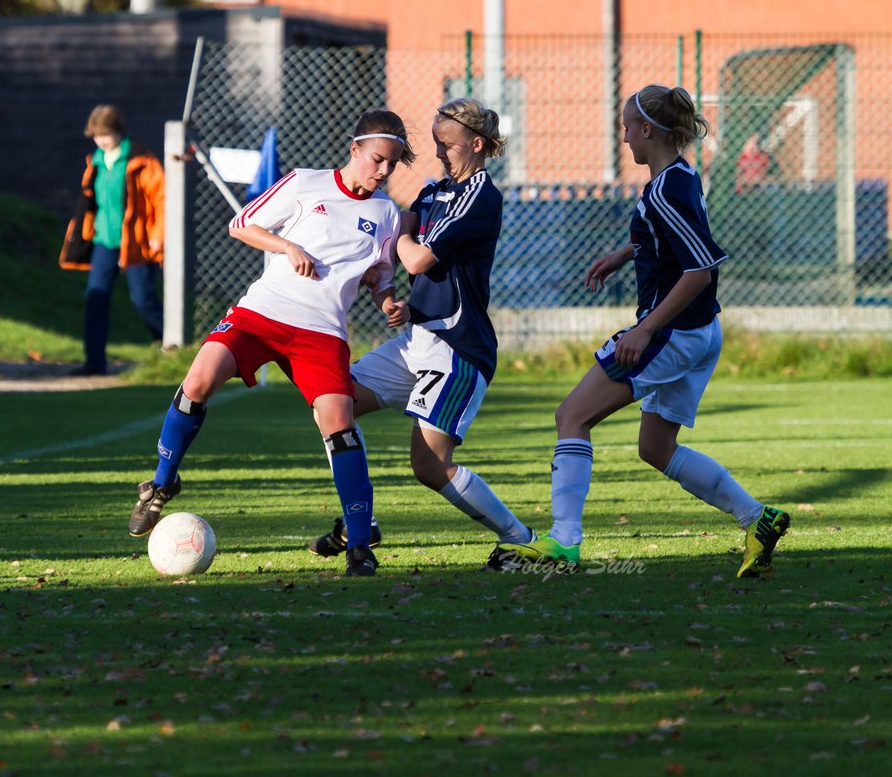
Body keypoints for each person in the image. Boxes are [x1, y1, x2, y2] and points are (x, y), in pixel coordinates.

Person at [500, 84, 790, 578]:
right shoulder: (677, 176)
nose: (625, 138)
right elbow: (674, 242)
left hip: (670, 334)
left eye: (627, 129)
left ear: (647, 130)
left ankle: (563, 543)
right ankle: (757, 519)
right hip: (698, 333)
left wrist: (644, 331)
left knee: (571, 415)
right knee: (655, 449)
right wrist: (626, 252)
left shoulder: (666, 188)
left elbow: (699, 269)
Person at [127, 110, 414, 577]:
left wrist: (388, 303)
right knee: (198, 380)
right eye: (378, 160)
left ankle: (360, 545)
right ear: (354, 149)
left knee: (339, 423)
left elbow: (379, 276)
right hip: (262, 314)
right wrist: (287, 247)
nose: (383, 172)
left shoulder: (386, 214)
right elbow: (241, 223)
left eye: (393, 165)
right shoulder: (304, 182)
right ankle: (161, 485)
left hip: (321, 333)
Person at [305, 99, 536, 570]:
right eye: (433, 142)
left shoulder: (479, 195)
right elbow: (414, 249)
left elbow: (414, 258)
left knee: (429, 466)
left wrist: (402, 228)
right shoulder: (435, 189)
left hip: (457, 349)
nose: (437, 153)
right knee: (334, 402)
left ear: (476, 144)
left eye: (445, 144)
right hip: (419, 338)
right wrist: (402, 297)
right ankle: (360, 520)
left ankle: (520, 538)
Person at [58, 104, 164, 376]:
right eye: (96, 135)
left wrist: (158, 236)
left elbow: (161, 200)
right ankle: (94, 361)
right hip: (104, 241)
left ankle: (169, 346)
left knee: (143, 299)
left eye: (105, 134)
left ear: (118, 131)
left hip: (137, 241)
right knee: (96, 298)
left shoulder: (141, 159)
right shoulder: (94, 161)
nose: (101, 140)